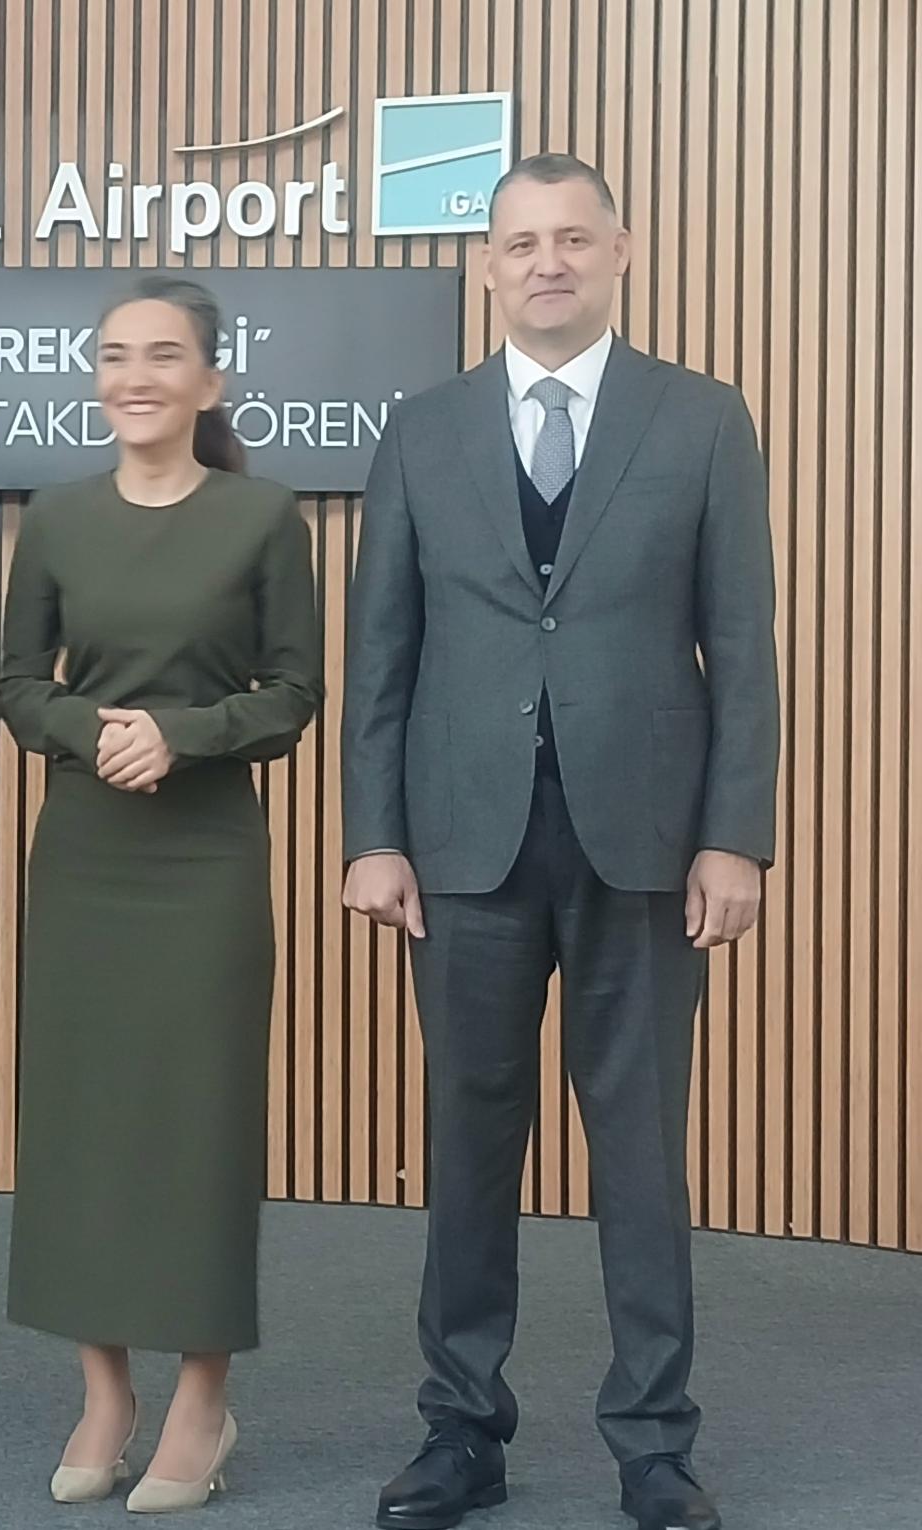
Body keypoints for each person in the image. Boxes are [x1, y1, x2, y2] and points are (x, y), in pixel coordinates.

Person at [341, 154, 779, 1530]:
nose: (548, 262)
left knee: (640, 1152)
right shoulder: (421, 430)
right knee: (469, 1146)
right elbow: (381, 655)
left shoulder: (702, 419)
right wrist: (373, 836)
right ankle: (460, 1429)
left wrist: (735, 837)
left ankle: (653, 1444)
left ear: (621, 251)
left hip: (644, 841)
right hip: (461, 846)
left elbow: (744, 645)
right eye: (522, 242)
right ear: (487, 266)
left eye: (573, 239)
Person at [0, 275, 325, 1514]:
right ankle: (104, 1395)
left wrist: (180, 736)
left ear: (209, 381)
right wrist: (95, 732)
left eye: (164, 355)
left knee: (196, 1123)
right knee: (83, 1119)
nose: (136, 376)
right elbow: (18, 686)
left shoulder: (263, 517)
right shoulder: (58, 515)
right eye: (117, 355)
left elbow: (294, 693)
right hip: (87, 852)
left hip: (205, 856)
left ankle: (201, 1400)